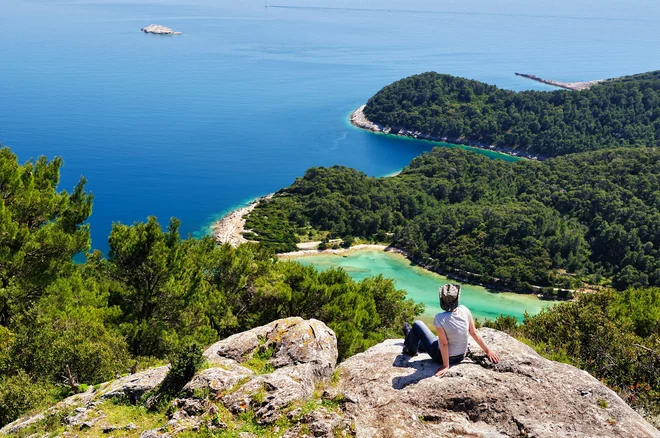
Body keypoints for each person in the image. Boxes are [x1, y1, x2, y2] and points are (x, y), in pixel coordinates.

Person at [402, 283, 500, 378]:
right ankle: (411, 336)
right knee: (430, 341)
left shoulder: (440, 318)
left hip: (442, 357)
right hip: (461, 355)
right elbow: (474, 333)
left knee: (417, 324)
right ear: (457, 298)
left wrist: (446, 365)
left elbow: (444, 343)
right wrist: (488, 351)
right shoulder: (465, 310)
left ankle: (410, 349)